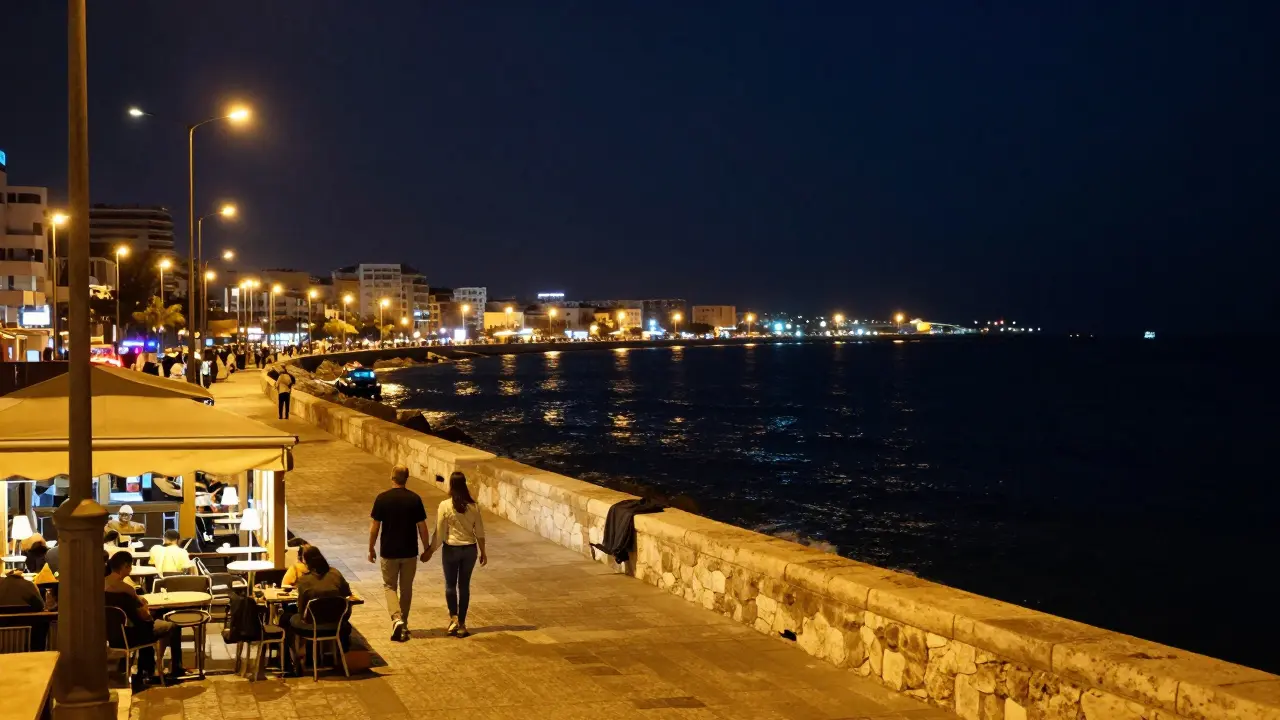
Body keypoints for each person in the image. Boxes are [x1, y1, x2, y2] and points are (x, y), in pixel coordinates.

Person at [368, 465, 431, 643]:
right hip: (409, 551)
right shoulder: (414, 499)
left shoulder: (382, 499)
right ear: (407, 478)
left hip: (388, 551)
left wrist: (371, 548)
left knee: (389, 586)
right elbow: (422, 527)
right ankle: (403, 625)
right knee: (406, 588)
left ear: (392, 477)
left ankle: (396, 619)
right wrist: (426, 548)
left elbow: (375, 527)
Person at [104, 551, 185, 682]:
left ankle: (145, 669)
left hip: (113, 636)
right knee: (172, 625)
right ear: (125, 566)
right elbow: (143, 617)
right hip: (132, 636)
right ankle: (176, 668)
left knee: (149, 625)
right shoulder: (126, 590)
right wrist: (147, 612)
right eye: (130, 566)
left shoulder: (101, 586)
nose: (130, 570)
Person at [429, 471, 487, 638]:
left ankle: (453, 618)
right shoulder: (474, 506)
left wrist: (430, 551)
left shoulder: (445, 505)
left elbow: (440, 533)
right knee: (464, 586)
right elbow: (480, 532)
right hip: (470, 550)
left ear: (451, 485)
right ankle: (462, 623)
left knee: (450, 585)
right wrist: (483, 552)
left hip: (451, 549)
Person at [288, 546, 352, 673]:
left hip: (313, 625)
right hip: (336, 622)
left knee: (288, 619)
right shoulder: (335, 574)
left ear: (306, 562)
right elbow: (347, 593)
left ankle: (292, 662)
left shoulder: (304, 581)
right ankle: (335, 657)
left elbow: (301, 611)